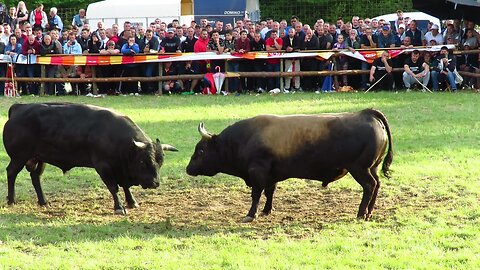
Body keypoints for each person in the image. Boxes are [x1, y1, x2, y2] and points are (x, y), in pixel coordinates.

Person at [282, 28, 301, 92]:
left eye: (292, 32)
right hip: (288, 58)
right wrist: (287, 49)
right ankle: (287, 87)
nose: (290, 33)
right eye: (289, 32)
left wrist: (292, 49)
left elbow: (300, 46)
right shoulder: (285, 38)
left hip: (296, 58)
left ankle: (297, 86)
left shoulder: (298, 38)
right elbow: (283, 46)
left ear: (294, 32)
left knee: (297, 72)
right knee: (287, 72)